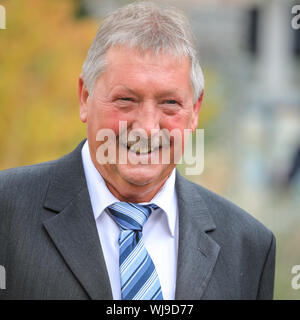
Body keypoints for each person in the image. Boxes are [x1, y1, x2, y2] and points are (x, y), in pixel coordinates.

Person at [0, 2, 275, 300]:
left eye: (169, 102)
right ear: (85, 97)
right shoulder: (7, 214)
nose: (146, 128)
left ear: (194, 110)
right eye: (126, 99)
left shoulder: (248, 247)